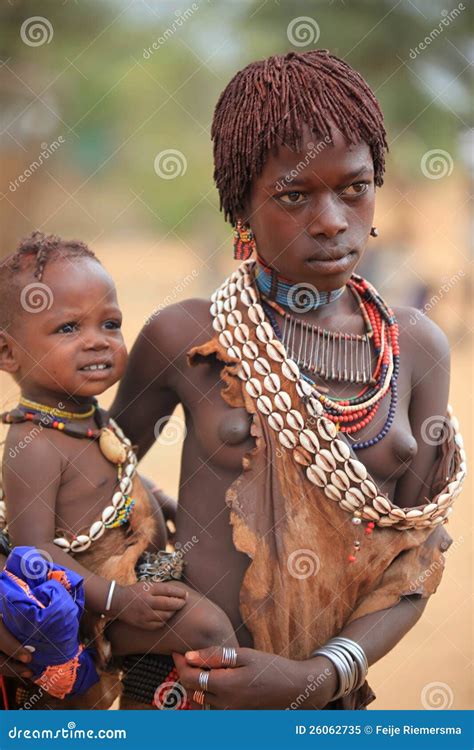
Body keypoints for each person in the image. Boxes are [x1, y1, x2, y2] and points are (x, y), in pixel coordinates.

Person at [110, 50, 465, 709]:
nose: (331, 220)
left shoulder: (417, 348)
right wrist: (144, 549)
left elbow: (414, 561)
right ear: (241, 206)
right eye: (294, 196)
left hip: (325, 702)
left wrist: (319, 677)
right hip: (181, 692)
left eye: (353, 188)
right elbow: (93, 475)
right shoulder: (185, 337)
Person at [0, 232, 237, 710]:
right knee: (208, 629)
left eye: (110, 324)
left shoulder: (85, 415)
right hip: (84, 605)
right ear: (7, 354)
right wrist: (116, 599)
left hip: (126, 581)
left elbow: (113, 471)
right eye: (68, 329)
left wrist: (155, 500)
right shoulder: (34, 444)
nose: (97, 342)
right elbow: (33, 554)